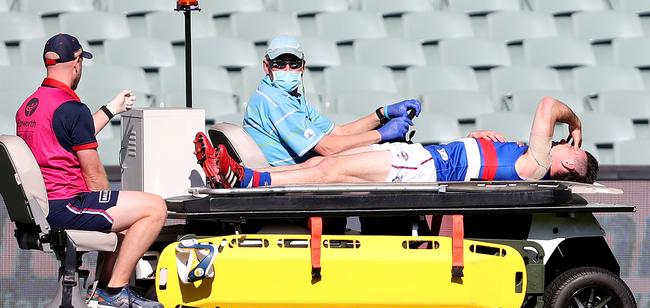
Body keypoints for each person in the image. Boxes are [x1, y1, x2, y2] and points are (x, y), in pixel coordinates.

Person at [15, 33, 166, 308]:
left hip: (42, 205)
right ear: (76, 63)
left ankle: (100, 290)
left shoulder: (29, 106)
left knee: (125, 216)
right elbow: (94, 173)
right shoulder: (72, 108)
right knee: (154, 209)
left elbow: (67, 134)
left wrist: (110, 109)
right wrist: (109, 202)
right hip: (66, 204)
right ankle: (114, 292)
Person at [195, 96, 598, 188]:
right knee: (317, 169)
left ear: (566, 166)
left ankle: (248, 181)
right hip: (422, 160)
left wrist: (576, 121)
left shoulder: (537, 168)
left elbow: (548, 106)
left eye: (571, 146)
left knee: (331, 167)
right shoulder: (528, 158)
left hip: (423, 167)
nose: (566, 140)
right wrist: (475, 139)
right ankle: (243, 175)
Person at [242, 35, 421, 166]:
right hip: (292, 181)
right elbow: (328, 148)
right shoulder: (275, 101)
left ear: (302, 67)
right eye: (280, 64)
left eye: (294, 64)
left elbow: (339, 133)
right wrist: (381, 134)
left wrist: (382, 113)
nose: (287, 69)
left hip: (302, 173)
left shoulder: (289, 96)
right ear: (267, 66)